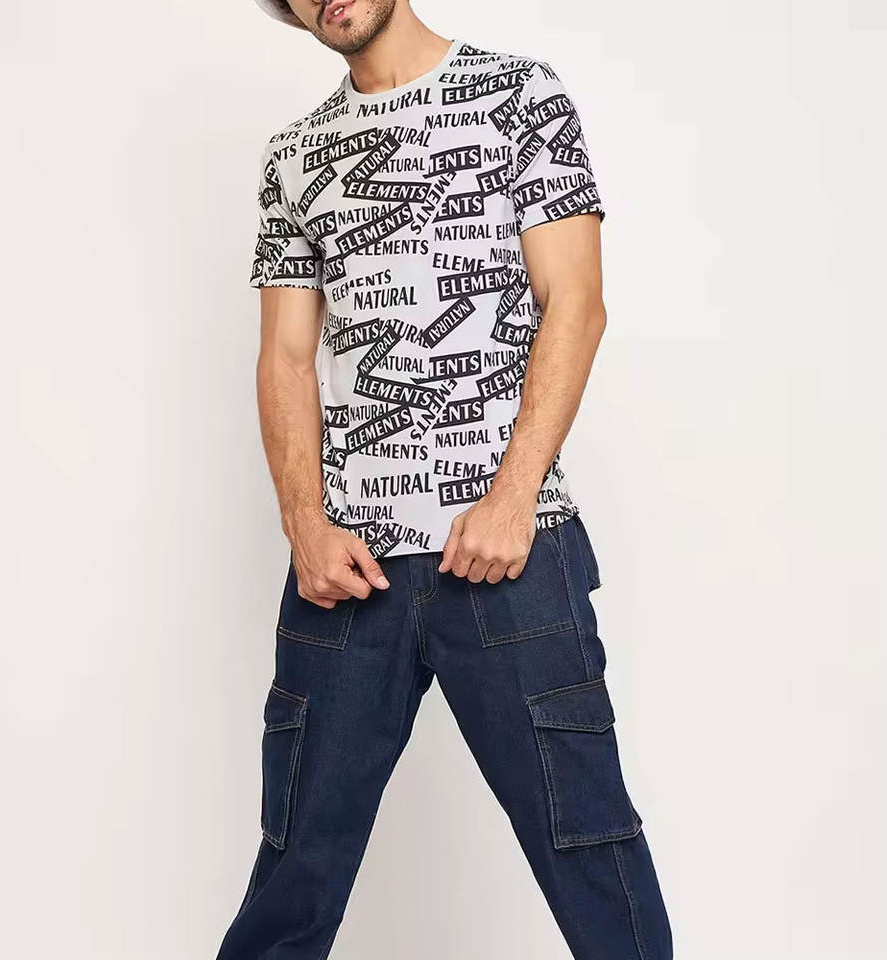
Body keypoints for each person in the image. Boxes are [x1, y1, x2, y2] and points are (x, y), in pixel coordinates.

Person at [217, 2, 673, 957]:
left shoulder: (519, 94)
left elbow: (575, 303)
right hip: (349, 571)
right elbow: (285, 357)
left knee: (590, 849)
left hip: (511, 557)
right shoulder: (294, 155)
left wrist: (512, 497)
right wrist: (305, 525)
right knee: (296, 869)